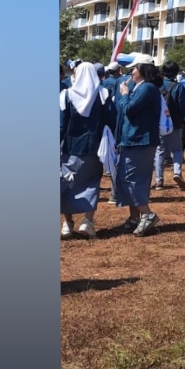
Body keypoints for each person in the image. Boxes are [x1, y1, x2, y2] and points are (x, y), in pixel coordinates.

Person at [60, 62, 108, 240]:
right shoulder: (103, 94)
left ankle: (67, 224)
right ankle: (88, 221)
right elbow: (111, 119)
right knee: (92, 183)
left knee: (68, 184)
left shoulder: (66, 95)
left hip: (70, 147)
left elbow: (61, 125)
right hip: (94, 147)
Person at [115, 61, 162, 237]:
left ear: (143, 70)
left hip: (140, 141)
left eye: (134, 69)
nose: (131, 72)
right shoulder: (141, 87)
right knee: (132, 178)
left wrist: (124, 94)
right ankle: (135, 218)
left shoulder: (146, 88)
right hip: (134, 140)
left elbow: (129, 109)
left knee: (130, 178)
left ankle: (147, 214)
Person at [153, 61, 185, 190]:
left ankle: (159, 181)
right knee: (177, 149)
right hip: (174, 123)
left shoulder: (157, 86)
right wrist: (181, 120)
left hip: (159, 123)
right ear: (176, 72)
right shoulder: (178, 87)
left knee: (160, 152)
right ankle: (177, 172)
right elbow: (182, 105)